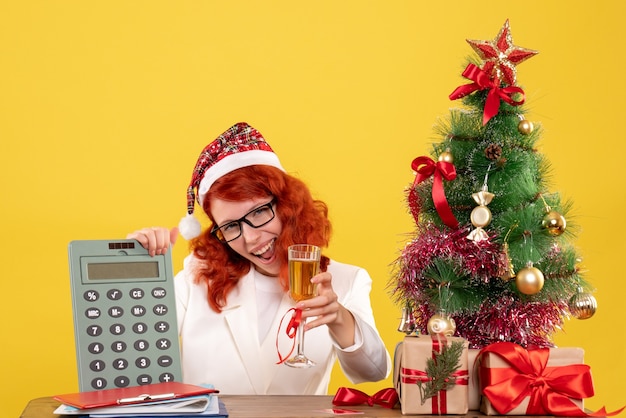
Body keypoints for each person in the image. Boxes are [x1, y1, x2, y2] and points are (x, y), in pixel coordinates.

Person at [127, 122, 391, 395]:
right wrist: (138, 265)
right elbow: (137, 344)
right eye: (231, 226)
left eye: (258, 212)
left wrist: (339, 318)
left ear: (287, 205)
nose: (251, 238)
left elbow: (373, 371)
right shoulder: (198, 276)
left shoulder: (346, 280)